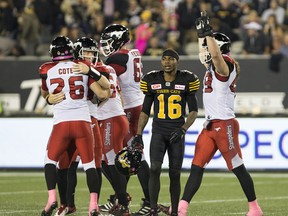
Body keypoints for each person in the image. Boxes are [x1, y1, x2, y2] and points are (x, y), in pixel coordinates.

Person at [176, 12, 263, 216]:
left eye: (209, 45)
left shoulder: (226, 64)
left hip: (224, 125)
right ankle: (180, 208)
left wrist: (208, 34)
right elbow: (204, 55)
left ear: (218, 47)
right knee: (196, 166)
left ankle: (255, 208)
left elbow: (214, 56)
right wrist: (201, 36)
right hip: (209, 125)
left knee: (237, 167)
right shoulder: (213, 66)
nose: (205, 50)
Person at [39, 35, 109, 216]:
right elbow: (103, 92)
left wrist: (48, 98)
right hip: (84, 122)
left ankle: (52, 199)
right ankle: (93, 205)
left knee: (50, 161)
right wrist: (90, 72)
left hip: (61, 124)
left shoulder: (46, 69)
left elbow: (45, 91)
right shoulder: (82, 66)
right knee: (90, 165)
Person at [131, 48, 200, 216]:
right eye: (164, 59)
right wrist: (138, 134)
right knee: (154, 168)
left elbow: (194, 111)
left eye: (171, 59)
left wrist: (183, 129)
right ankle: (153, 208)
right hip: (159, 132)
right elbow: (145, 111)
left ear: (177, 61)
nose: (167, 62)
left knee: (174, 173)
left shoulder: (186, 80)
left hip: (176, 132)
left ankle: (175, 210)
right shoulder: (152, 80)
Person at [99, 24, 151, 216]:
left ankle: (143, 201)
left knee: (129, 156)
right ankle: (120, 197)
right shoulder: (133, 53)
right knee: (123, 155)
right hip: (134, 104)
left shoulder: (116, 58)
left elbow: (106, 79)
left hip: (127, 107)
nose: (104, 45)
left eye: (107, 41)